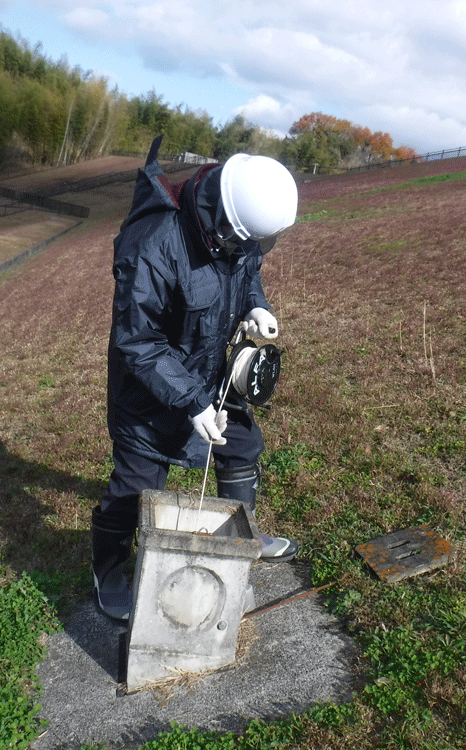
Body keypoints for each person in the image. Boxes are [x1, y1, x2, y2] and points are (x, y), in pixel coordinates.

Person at [91, 136, 300, 621]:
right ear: (225, 222)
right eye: (251, 239)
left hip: (207, 372)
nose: (257, 249)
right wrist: (190, 402)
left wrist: (255, 305)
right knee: (136, 483)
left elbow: (246, 269)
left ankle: (240, 538)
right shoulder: (154, 246)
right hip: (147, 391)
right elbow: (138, 341)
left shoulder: (233, 231)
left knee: (240, 445)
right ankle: (108, 568)